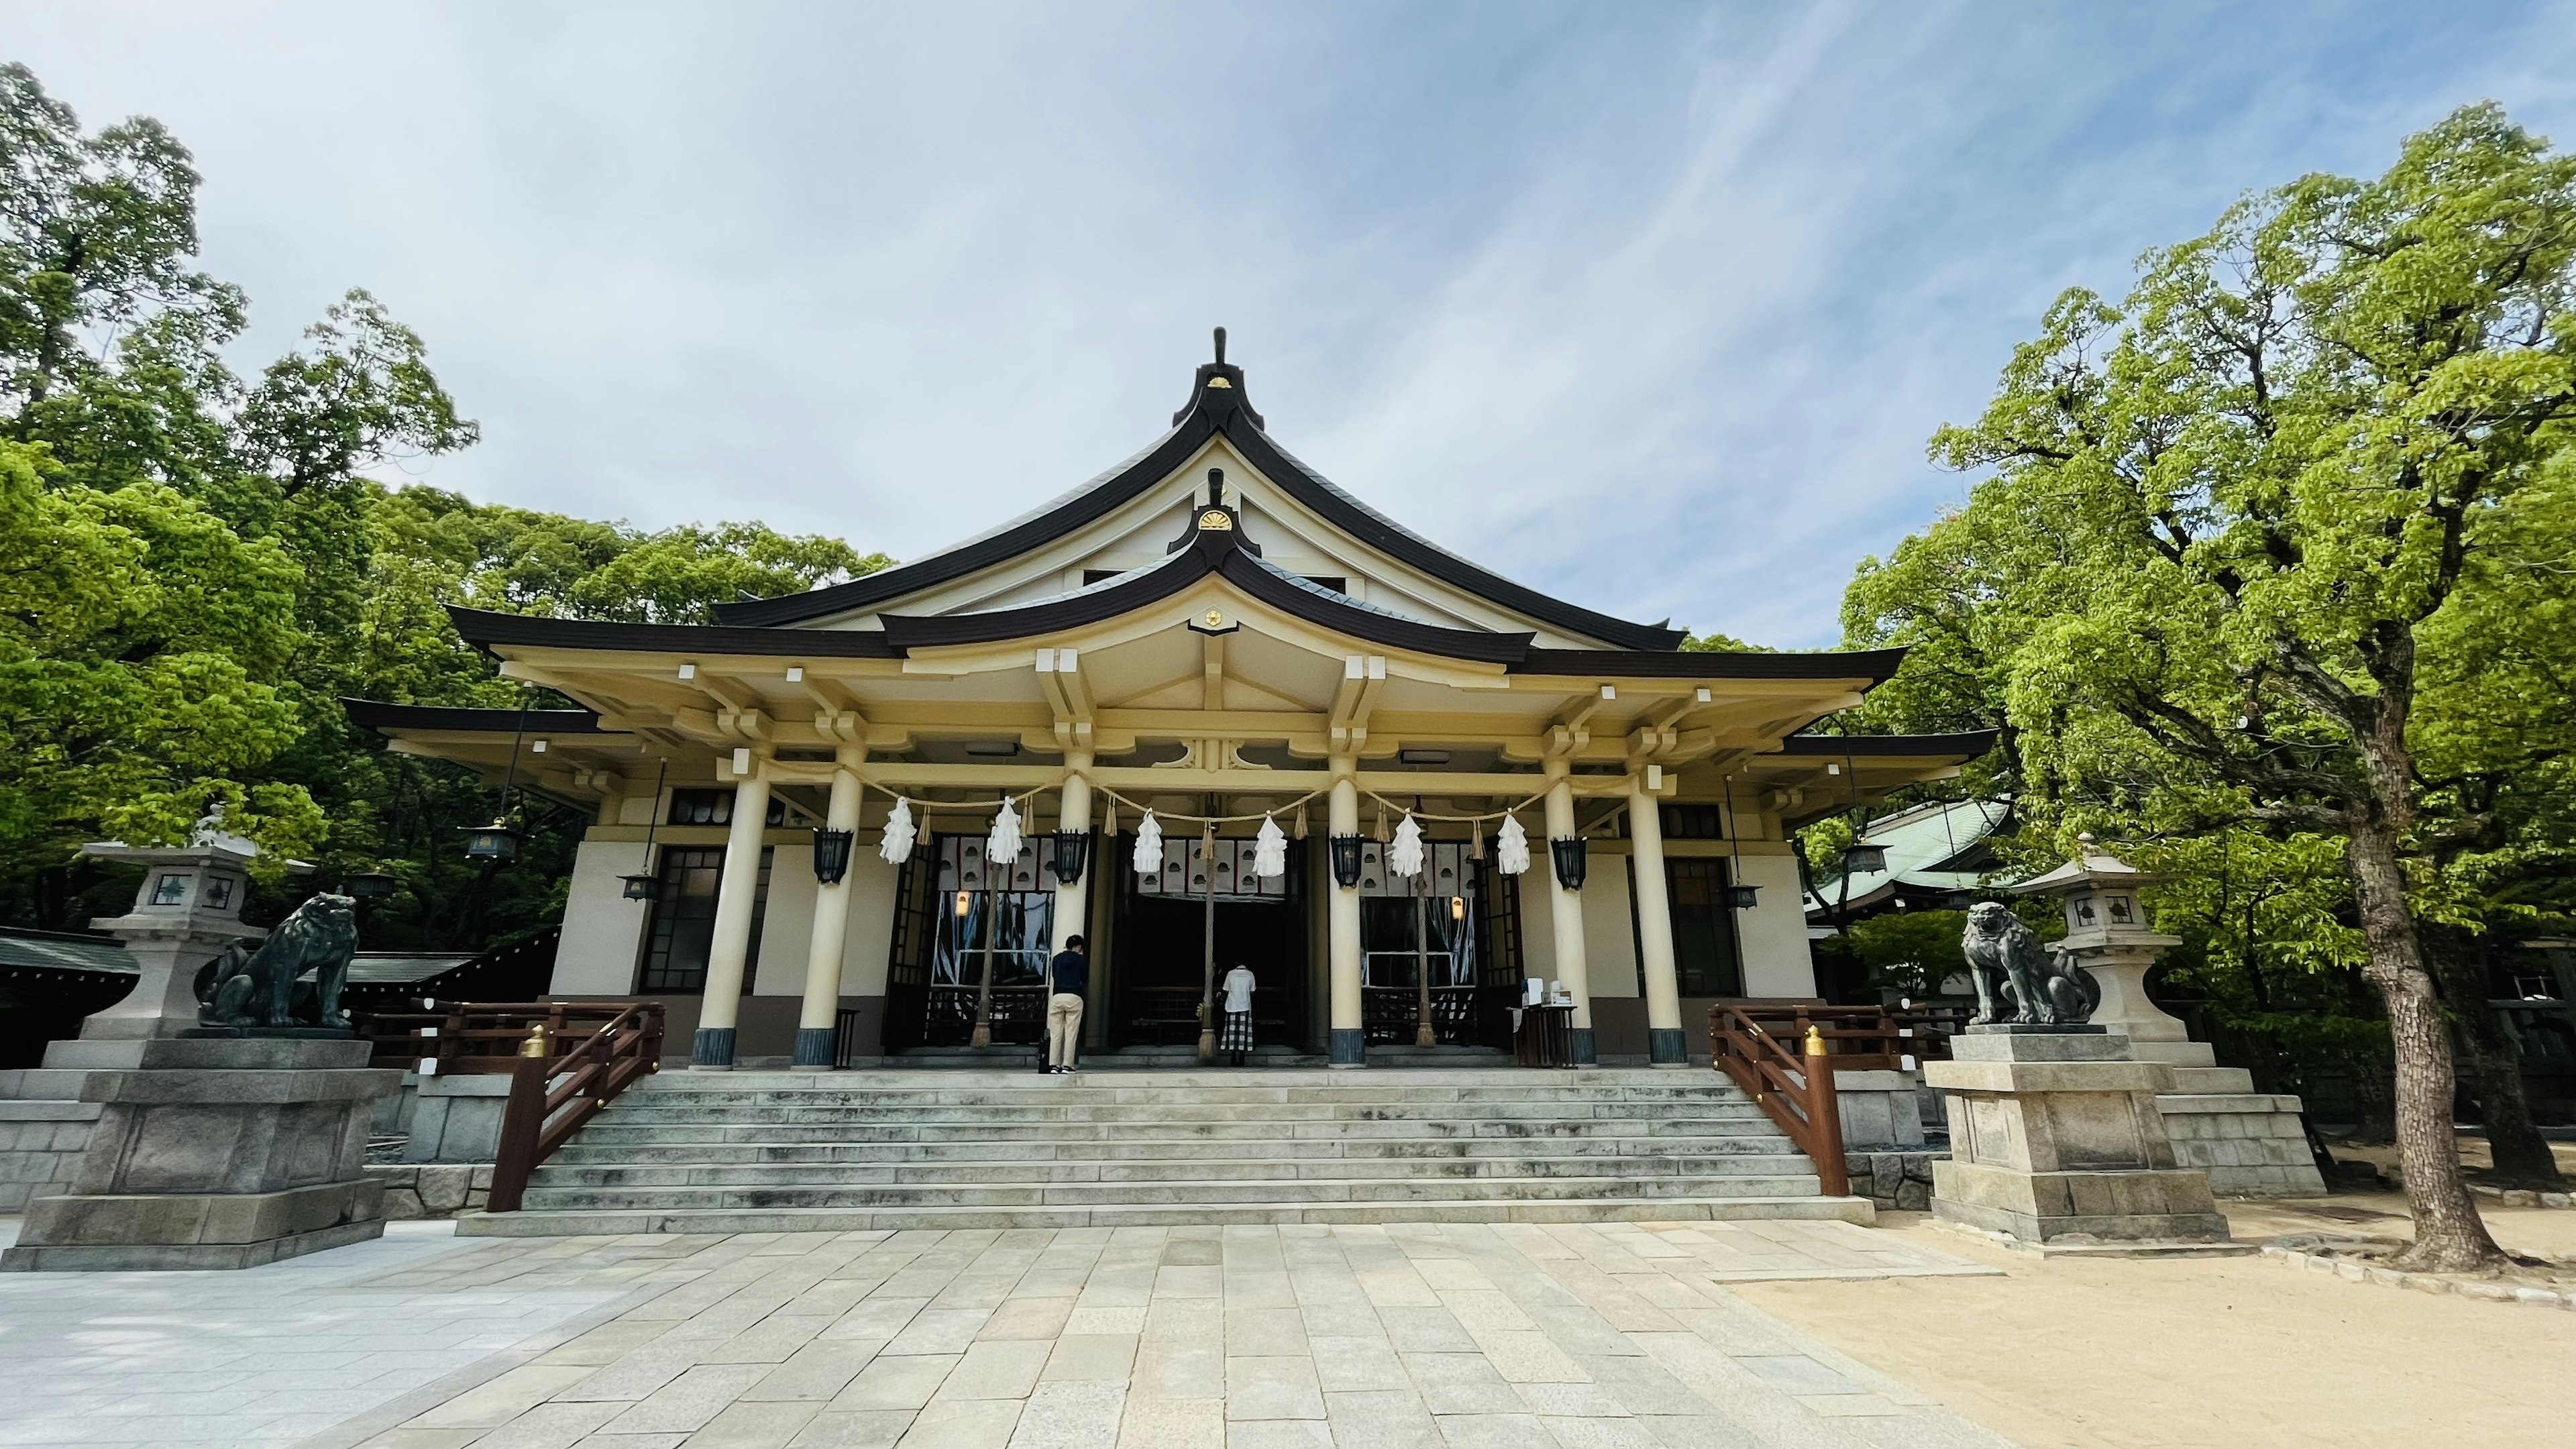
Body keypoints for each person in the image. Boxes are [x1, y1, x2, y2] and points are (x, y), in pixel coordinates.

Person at [1044, 935, 1087, 1075]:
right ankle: (1067, 1065)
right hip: (1074, 996)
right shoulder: (1081, 960)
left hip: (1058, 996)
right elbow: (1084, 977)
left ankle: (1054, 1065)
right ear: (1078, 947)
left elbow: (1054, 976)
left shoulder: (1057, 959)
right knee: (1071, 1033)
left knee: (1056, 1033)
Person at [1220, 963, 1258, 1066]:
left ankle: (1233, 1058)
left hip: (1232, 1006)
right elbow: (1253, 990)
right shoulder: (1250, 974)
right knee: (1244, 1034)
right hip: (1244, 1006)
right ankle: (1241, 1059)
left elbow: (1225, 989)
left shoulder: (1231, 974)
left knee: (1232, 1033)